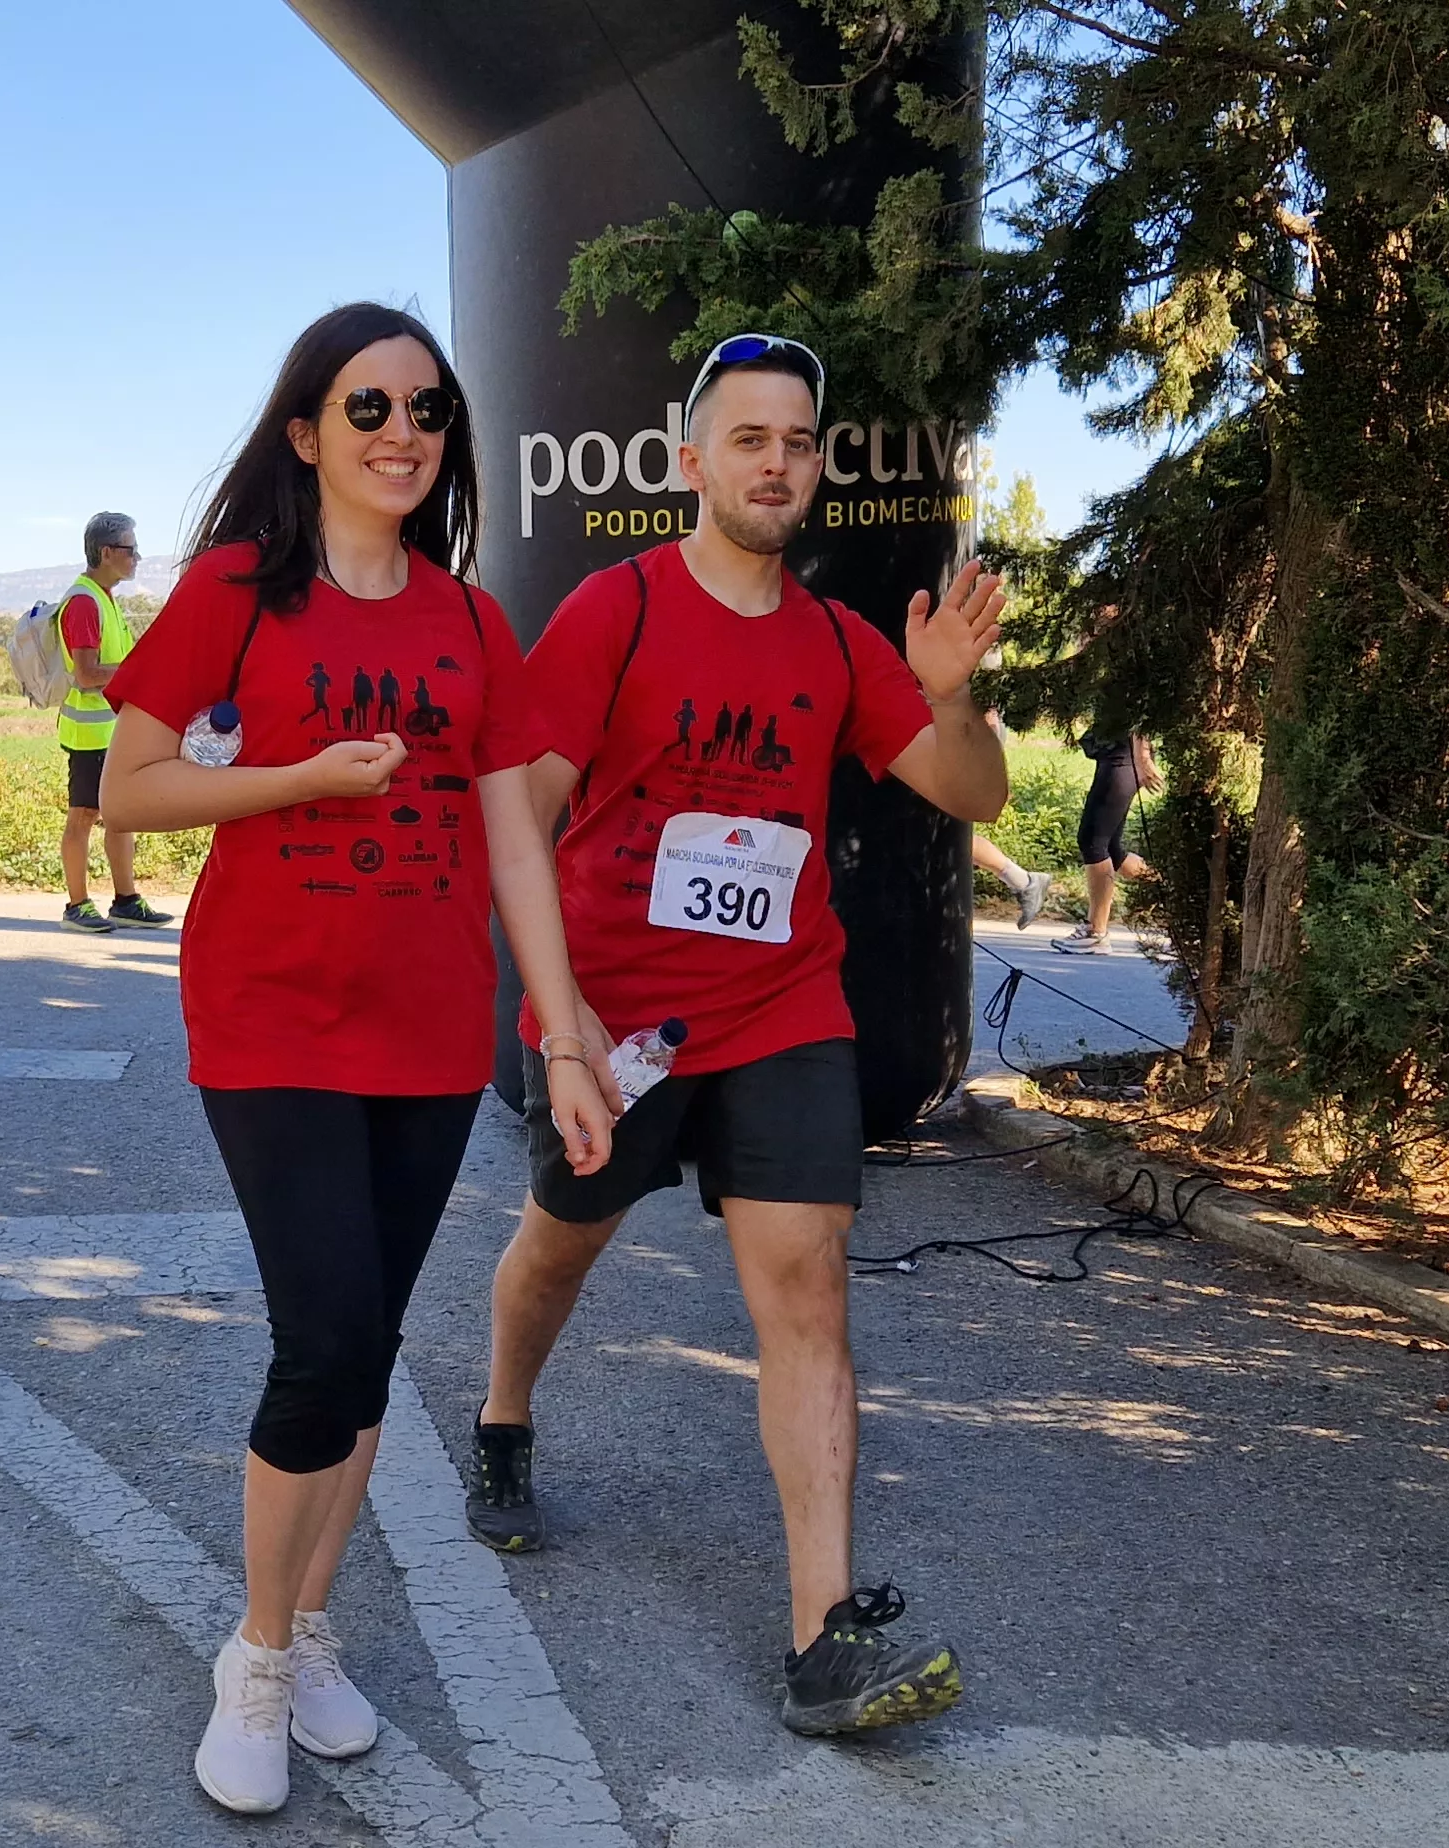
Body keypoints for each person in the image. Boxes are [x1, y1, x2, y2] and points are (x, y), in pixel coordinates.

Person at [94, 304, 614, 1816]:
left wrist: (562, 1038)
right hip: (271, 1021)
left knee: (372, 1346)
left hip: (429, 1032)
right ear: (308, 431)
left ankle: (310, 1628)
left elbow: (516, 832)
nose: (402, 433)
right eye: (368, 406)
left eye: (428, 412)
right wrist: (300, 779)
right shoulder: (243, 590)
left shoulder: (467, 620)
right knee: (322, 1338)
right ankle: (254, 1654)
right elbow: (132, 787)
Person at [465, 332, 1011, 1736]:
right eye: (750, 439)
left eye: (800, 443)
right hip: (615, 1019)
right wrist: (563, 1026)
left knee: (808, 1296)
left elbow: (972, 793)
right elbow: (516, 819)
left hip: (781, 1012)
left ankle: (823, 1636)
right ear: (693, 462)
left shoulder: (835, 642)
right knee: (559, 1247)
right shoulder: (617, 612)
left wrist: (950, 690)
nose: (779, 463)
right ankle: (506, 1418)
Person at [54, 510, 165, 933]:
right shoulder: (84, 602)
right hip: (89, 734)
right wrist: (142, 674)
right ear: (106, 552)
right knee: (83, 815)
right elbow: (87, 674)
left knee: (120, 813)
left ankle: (126, 900)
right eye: (130, 549)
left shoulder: (104, 598)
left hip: (112, 731)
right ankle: (77, 905)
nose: (137, 557)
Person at [1053, 728, 1157, 954]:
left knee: (1092, 841)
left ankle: (1096, 932)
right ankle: (1168, 891)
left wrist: (1143, 758)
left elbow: (1139, 708)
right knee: (1111, 849)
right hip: (1118, 756)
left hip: (1123, 759)